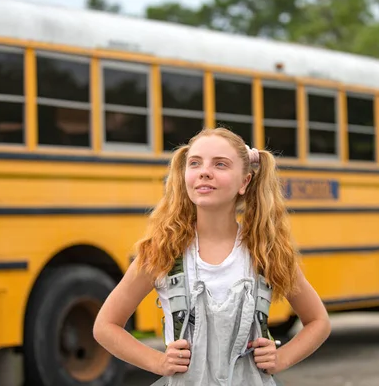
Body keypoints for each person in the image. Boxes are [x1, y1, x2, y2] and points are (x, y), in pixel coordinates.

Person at [93, 127, 331, 385]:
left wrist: (281, 358)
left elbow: (318, 321)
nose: (205, 171)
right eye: (195, 163)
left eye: (220, 164)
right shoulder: (162, 251)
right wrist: (158, 362)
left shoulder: (266, 252)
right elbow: (105, 325)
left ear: (244, 182)